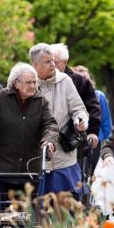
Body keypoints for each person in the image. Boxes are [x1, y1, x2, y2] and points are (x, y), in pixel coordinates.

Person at [0, 62, 59, 228]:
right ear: (15, 83)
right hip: (2, 165)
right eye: (28, 82)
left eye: (34, 82)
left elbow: (50, 124)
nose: (33, 86)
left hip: (31, 165)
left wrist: (49, 140)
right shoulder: (0, 98)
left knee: (28, 209)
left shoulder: (40, 101)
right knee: (1, 207)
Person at [29, 43, 89, 196]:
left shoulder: (65, 81)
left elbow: (79, 109)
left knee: (64, 208)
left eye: (53, 60)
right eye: (48, 62)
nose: (53, 64)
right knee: (35, 207)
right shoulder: (26, 82)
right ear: (35, 65)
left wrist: (80, 121)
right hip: (33, 155)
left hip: (63, 157)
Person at [49, 44, 101, 151]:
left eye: (55, 62)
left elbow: (93, 107)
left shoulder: (81, 81)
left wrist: (93, 132)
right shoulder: (42, 79)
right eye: (49, 61)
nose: (52, 65)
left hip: (72, 138)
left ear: (64, 63)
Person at [72, 64, 113, 172]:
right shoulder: (71, 96)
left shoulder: (99, 96)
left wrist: (108, 141)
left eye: (86, 78)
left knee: (91, 169)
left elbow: (105, 119)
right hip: (74, 139)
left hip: (94, 139)